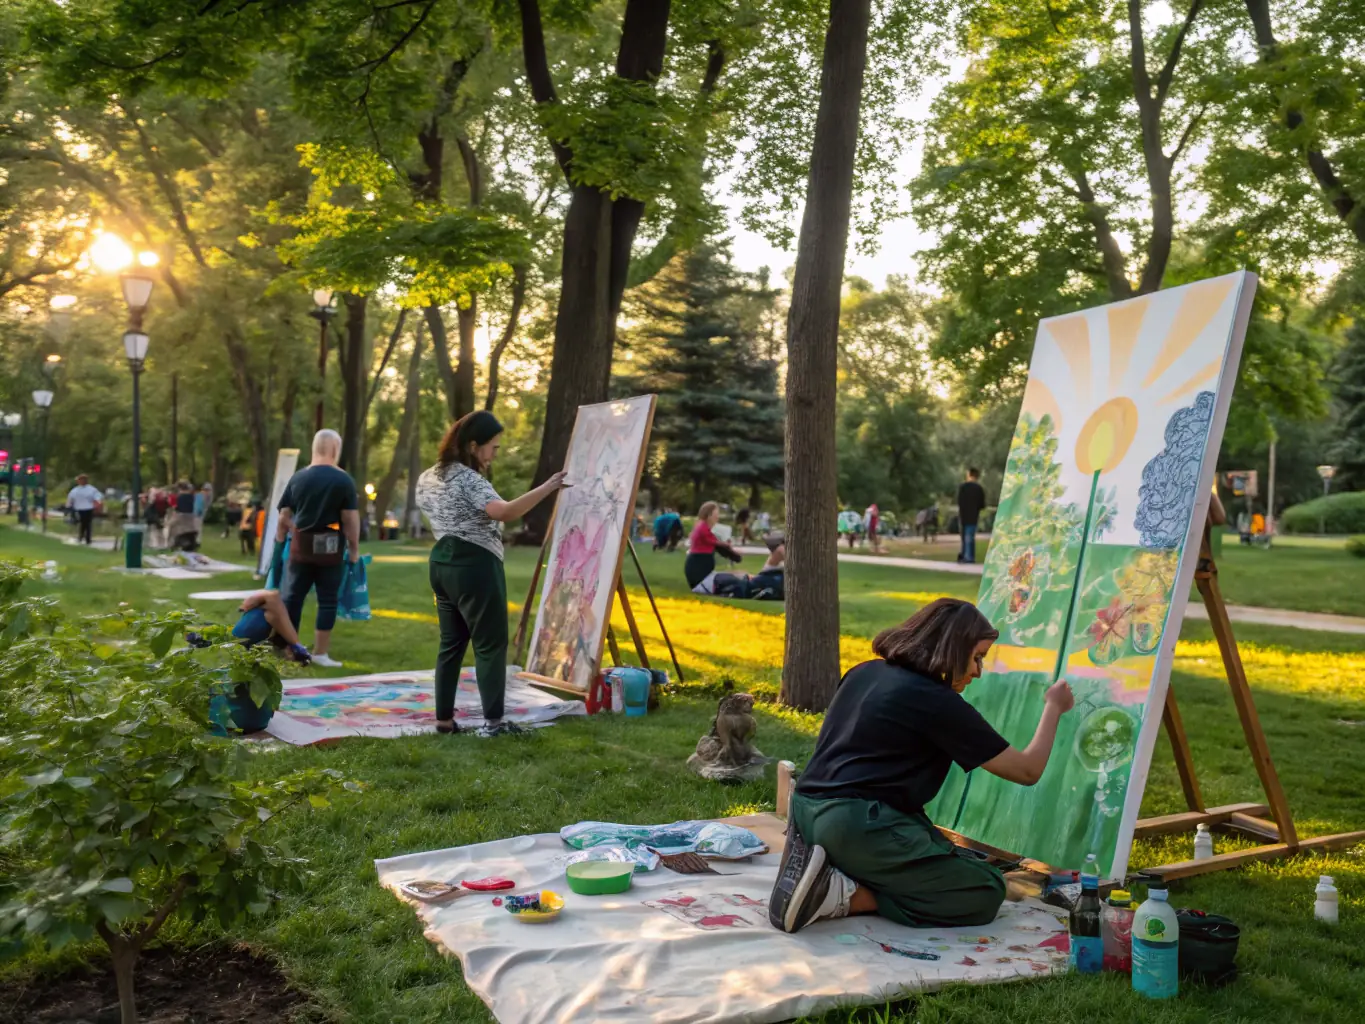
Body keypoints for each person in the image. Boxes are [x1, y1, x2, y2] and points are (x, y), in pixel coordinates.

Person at [769, 598, 1075, 934]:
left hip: (806, 817)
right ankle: (842, 894)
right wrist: (1054, 707)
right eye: (976, 657)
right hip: (854, 825)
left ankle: (832, 871)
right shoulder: (934, 701)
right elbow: (1027, 770)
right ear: (952, 649)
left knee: (955, 857)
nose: (977, 671)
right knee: (985, 888)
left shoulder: (864, 671)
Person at [416, 411, 568, 735]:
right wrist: (548, 486)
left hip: (441, 563)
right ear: (474, 446)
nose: (495, 454)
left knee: (451, 644)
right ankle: (494, 723)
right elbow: (505, 511)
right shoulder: (469, 480)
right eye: (493, 447)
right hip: (476, 565)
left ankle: (443, 720)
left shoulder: (428, 476)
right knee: (489, 644)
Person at [275, 429, 361, 669]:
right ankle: (320, 652)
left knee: (292, 598)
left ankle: (289, 649)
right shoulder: (343, 479)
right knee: (327, 599)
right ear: (335, 449)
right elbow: (350, 520)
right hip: (330, 548)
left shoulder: (298, 478)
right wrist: (354, 550)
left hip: (300, 547)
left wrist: (287, 536)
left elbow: (284, 516)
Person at [188, 590, 311, 665]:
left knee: (271, 602)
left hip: (234, 641)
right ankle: (298, 647)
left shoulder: (271, 617)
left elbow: (272, 598)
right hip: (233, 640)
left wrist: (256, 599)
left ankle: (298, 647)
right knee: (271, 602)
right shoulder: (272, 618)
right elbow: (272, 598)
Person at [686, 501, 741, 591]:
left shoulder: (702, 526)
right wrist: (733, 552)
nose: (717, 517)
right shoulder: (703, 528)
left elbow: (717, 544)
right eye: (716, 514)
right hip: (701, 578)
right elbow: (717, 544)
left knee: (732, 579)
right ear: (709, 515)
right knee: (736, 582)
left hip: (702, 574)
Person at [956, 469, 986, 564]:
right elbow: (982, 504)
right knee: (970, 536)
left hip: (964, 515)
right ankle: (969, 555)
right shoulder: (979, 489)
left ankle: (966, 555)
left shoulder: (963, 487)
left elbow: (959, 501)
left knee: (964, 536)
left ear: (969, 475)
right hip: (973, 515)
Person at [66, 474, 103, 545]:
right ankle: (81, 537)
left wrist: (98, 506)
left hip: (88, 508)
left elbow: (97, 498)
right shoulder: (75, 490)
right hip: (78, 509)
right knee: (82, 523)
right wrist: (69, 506)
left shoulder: (91, 489)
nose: (79, 481)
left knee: (87, 524)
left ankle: (87, 539)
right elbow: (70, 498)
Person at [168, 480, 199, 550]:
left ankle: (178, 542)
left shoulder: (180, 497)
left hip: (182, 516)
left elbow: (179, 508)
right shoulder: (191, 496)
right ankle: (192, 542)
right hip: (191, 516)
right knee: (190, 530)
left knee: (173, 527)